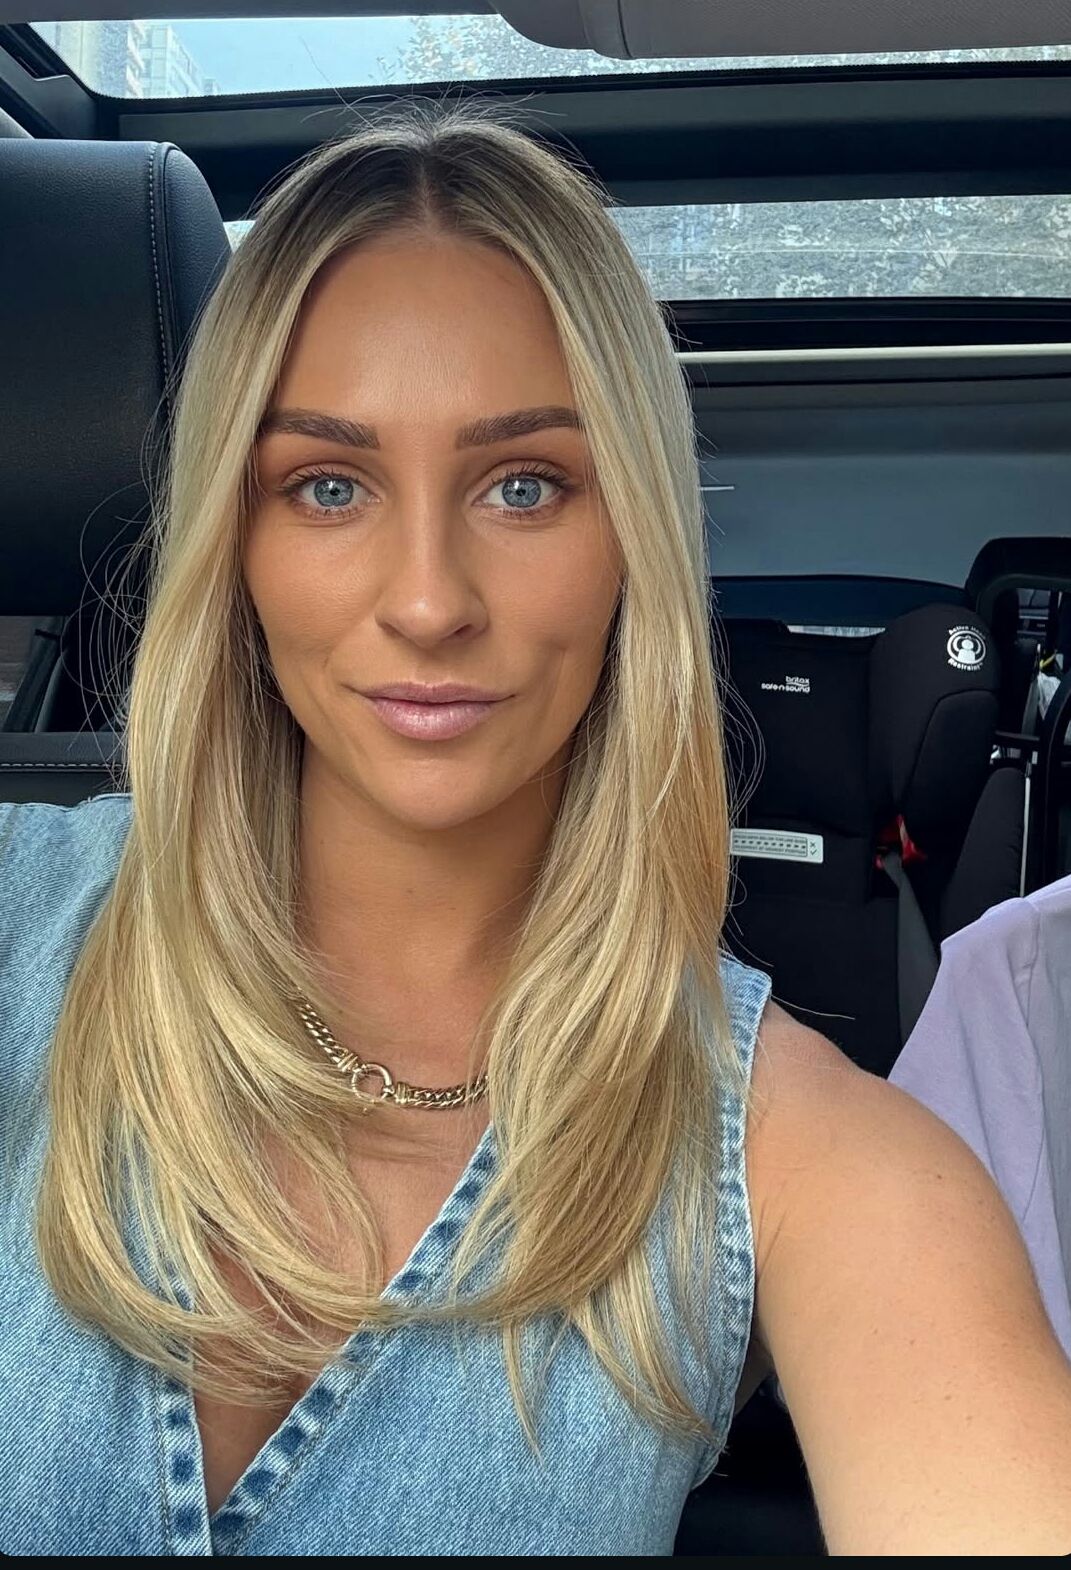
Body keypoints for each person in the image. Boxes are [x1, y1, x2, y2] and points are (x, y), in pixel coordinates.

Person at [3, 103, 1071, 1558]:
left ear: (631, 535)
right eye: (329, 485)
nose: (429, 600)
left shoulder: (808, 1161)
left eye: (524, 486)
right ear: (234, 542)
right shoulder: (20, 920)